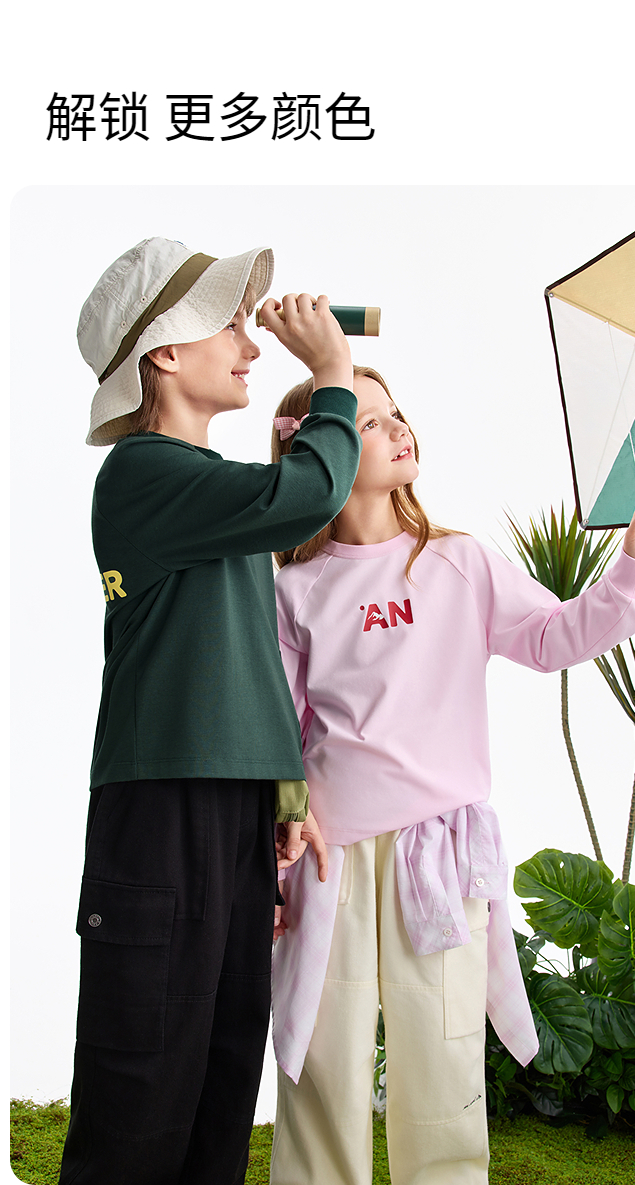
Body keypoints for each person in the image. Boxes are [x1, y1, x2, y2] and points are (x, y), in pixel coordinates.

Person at [268, 364, 635, 1185]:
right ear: (321, 452)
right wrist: (267, 863)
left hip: (439, 854)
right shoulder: (294, 587)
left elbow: (555, 637)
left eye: (397, 414)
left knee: (444, 1054)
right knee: (323, 1058)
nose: (399, 429)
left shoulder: (460, 562)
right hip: (327, 859)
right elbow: (278, 731)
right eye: (370, 422)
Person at [58, 237, 360, 1185]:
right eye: (228, 325)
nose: (251, 344)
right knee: (140, 1091)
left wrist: (282, 792)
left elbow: (246, 659)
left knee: (222, 1079)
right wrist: (335, 374)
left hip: (228, 812)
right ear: (163, 353)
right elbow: (312, 489)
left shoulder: (213, 498)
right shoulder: (144, 474)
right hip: (160, 809)